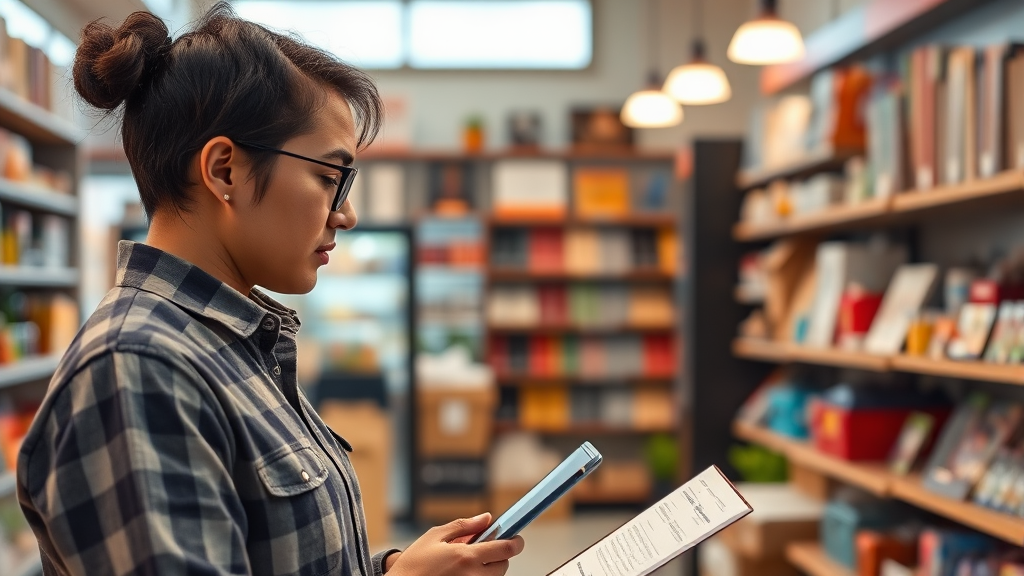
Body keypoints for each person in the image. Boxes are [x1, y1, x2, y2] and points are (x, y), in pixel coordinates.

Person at [15, 3, 525, 575]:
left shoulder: (232, 344)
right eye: (331, 178)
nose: (347, 214)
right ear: (225, 170)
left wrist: (390, 568)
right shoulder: (138, 369)